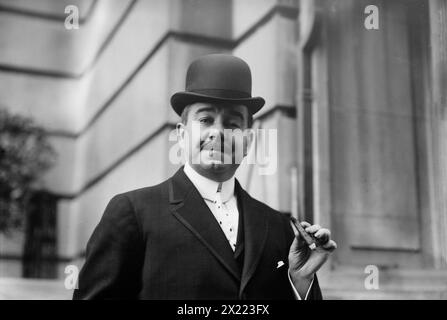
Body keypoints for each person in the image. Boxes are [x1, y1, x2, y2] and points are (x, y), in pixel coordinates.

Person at [73, 54, 336, 300]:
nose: (218, 133)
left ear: (249, 140)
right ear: (182, 133)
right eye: (206, 119)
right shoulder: (133, 213)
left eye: (233, 124)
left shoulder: (278, 227)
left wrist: (299, 283)